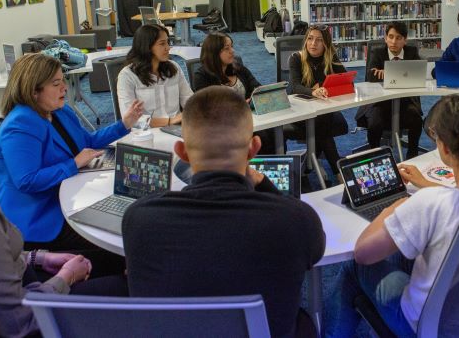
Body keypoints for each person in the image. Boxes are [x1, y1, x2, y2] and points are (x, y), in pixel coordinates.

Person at [123, 86, 325, 338]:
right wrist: (262, 182)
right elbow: (314, 253)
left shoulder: (139, 219)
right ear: (254, 148)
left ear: (181, 152)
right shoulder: (297, 220)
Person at [0, 62, 125, 338]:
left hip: (29, 266)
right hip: (39, 313)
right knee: (131, 279)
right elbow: (20, 321)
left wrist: (37, 258)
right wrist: (66, 277)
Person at [328, 94, 459, 337]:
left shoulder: (430, 205)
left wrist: (393, 209)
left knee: (353, 267)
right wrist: (425, 184)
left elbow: (363, 253)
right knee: (405, 254)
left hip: (433, 326)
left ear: (444, 147)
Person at [0, 53, 144, 274]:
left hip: (67, 194)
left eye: (63, 80)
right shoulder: (20, 125)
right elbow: (26, 181)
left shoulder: (60, 111)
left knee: (120, 216)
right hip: (39, 215)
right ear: (33, 91)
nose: (65, 87)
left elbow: (88, 142)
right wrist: (73, 164)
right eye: (56, 83)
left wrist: (124, 124)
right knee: (112, 242)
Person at [191, 32, 276, 154]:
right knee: (262, 136)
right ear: (214, 52)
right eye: (227, 48)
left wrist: (253, 98)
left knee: (273, 130)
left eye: (232, 46)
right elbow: (207, 107)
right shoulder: (202, 76)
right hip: (222, 125)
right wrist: (239, 105)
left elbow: (257, 88)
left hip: (249, 118)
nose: (232, 51)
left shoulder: (238, 68)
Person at [355, 22, 424, 158]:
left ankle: (412, 153)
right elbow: (370, 76)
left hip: (405, 101)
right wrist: (400, 74)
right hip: (380, 101)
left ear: (405, 40)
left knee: (416, 120)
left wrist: (388, 73)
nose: (393, 42)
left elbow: (418, 75)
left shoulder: (412, 52)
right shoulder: (377, 52)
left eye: (398, 38)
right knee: (375, 122)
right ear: (385, 38)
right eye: (390, 37)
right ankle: (374, 154)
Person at [288, 25, 349, 178]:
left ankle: (313, 161)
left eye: (318, 40)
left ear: (326, 44)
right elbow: (295, 87)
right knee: (323, 126)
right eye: (310, 39)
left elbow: (346, 80)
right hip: (299, 111)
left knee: (322, 122)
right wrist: (313, 91)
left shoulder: (330, 57)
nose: (313, 43)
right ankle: (338, 172)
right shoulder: (296, 58)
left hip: (321, 110)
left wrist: (322, 86)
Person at [117, 24, 193, 128]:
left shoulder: (174, 68)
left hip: (177, 128)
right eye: (162, 44)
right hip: (146, 132)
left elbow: (188, 99)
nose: (168, 48)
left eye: (168, 42)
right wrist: (170, 121)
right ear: (146, 47)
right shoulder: (127, 76)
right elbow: (131, 119)